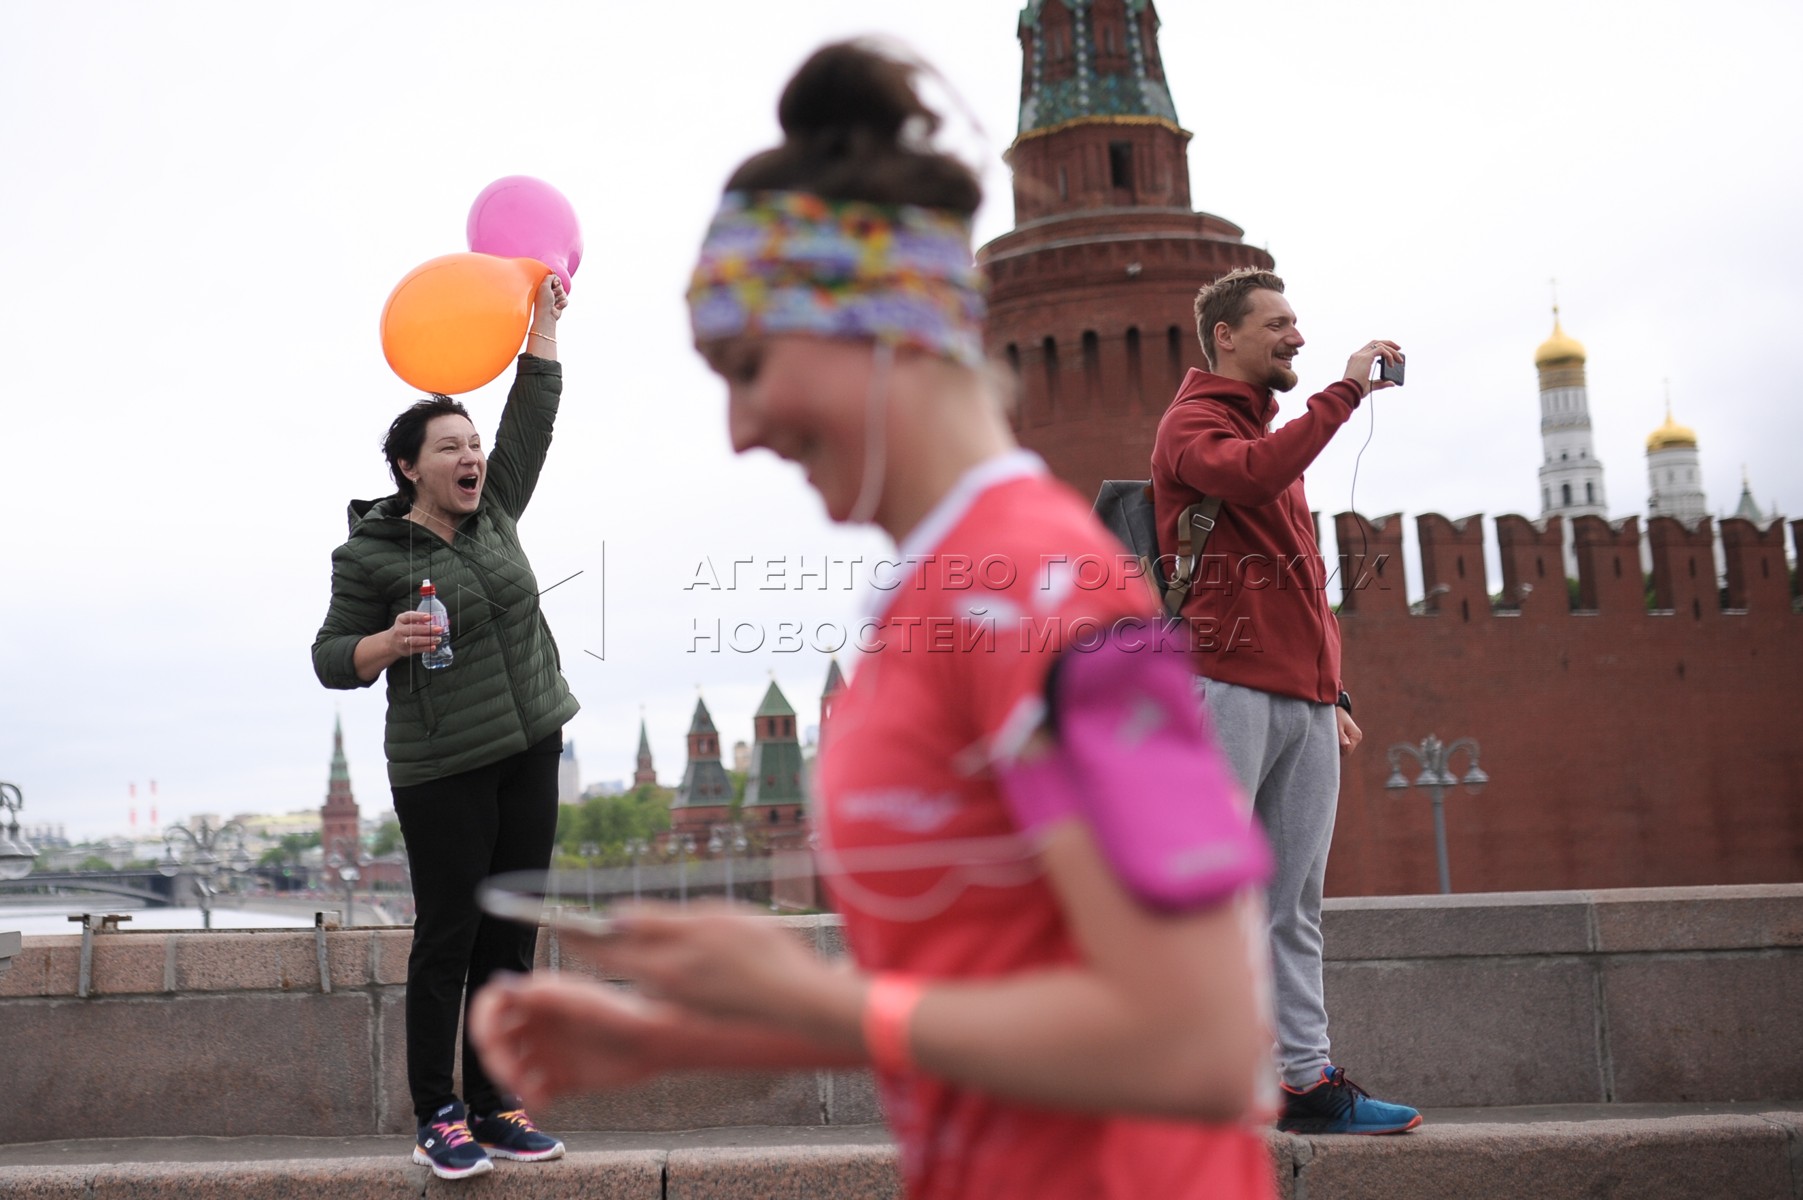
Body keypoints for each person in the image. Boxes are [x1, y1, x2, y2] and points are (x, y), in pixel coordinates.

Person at [469, 42, 1280, 1200]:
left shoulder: (1049, 586)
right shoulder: (931, 601)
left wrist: (818, 1002)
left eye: (748, 366)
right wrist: (689, 1039)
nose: (740, 429)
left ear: (876, 326)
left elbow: (1201, 1042)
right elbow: (987, 985)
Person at [312, 274, 577, 1180]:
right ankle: (440, 1114)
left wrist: (541, 322)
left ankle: (498, 1104)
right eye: (451, 447)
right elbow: (327, 656)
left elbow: (532, 416)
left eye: (473, 444)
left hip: (531, 744)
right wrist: (386, 641)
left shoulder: (496, 505)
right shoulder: (371, 554)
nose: (471, 456)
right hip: (443, 767)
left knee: (512, 932)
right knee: (450, 938)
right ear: (409, 468)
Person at [1149, 267, 1420, 1135]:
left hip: (1298, 700)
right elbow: (1252, 479)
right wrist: (1343, 389)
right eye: (1277, 324)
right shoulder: (1193, 424)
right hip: (1221, 684)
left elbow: (1297, 581)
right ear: (1225, 336)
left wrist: (1329, 688)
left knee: (1291, 902)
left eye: (1298, 323)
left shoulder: (1274, 434)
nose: (1296, 336)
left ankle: (1302, 1083)